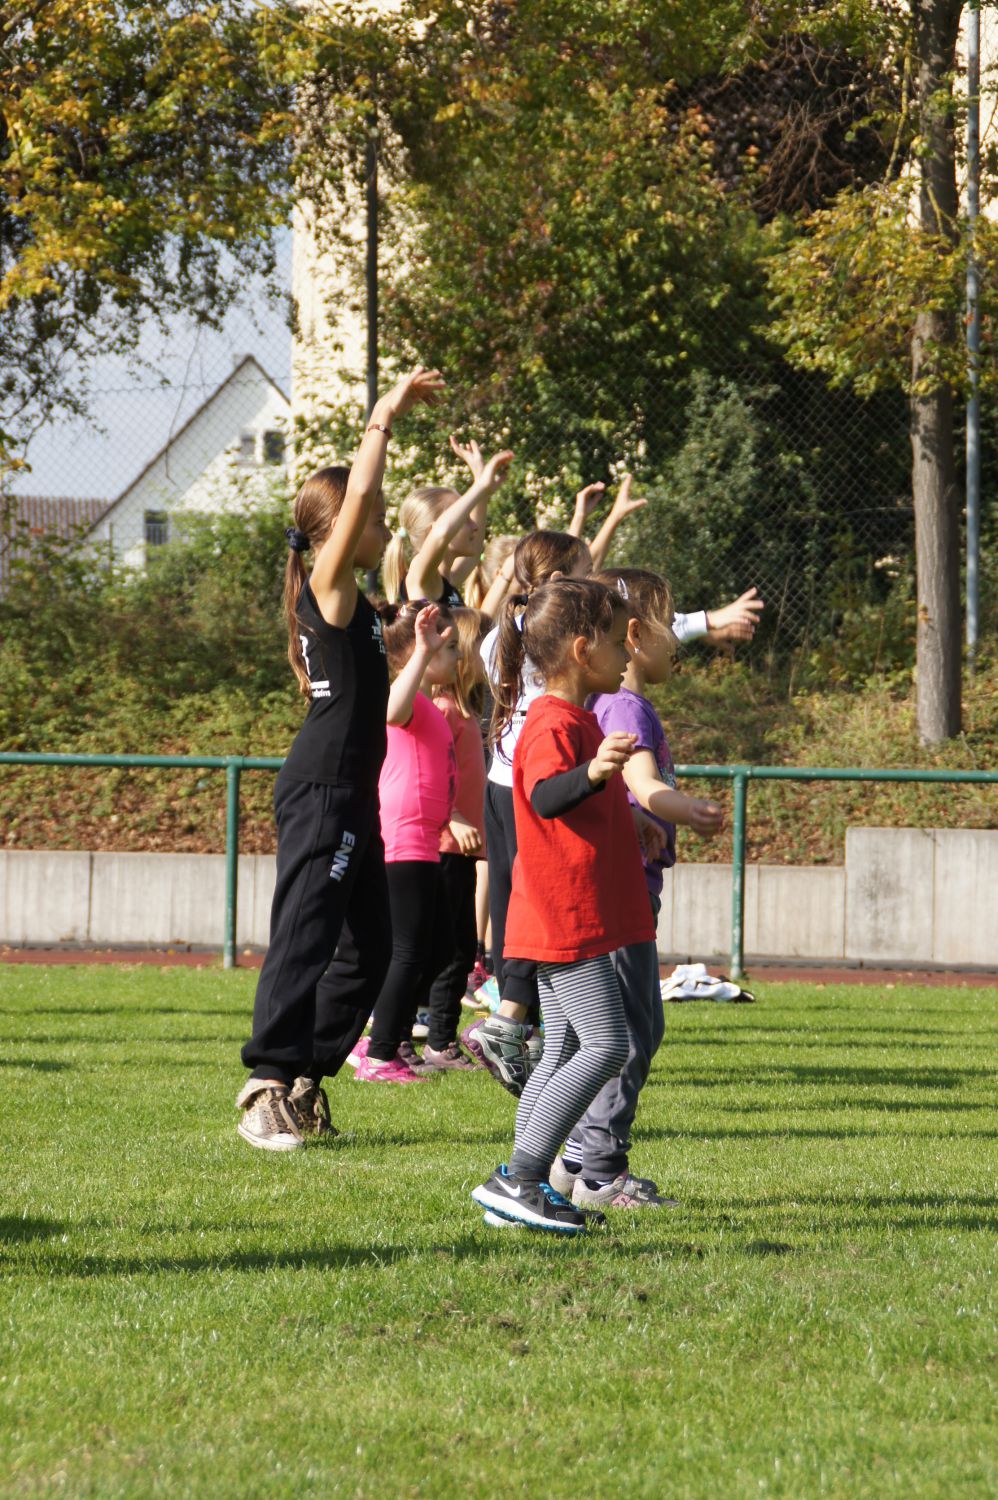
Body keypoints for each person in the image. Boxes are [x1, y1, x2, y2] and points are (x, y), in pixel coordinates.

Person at [236, 366, 445, 1149]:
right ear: (337, 531)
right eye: (377, 519)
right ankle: (265, 1082)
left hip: (354, 792)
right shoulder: (328, 587)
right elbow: (358, 493)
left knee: (372, 948)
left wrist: (414, 634)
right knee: (307, 934)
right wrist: (384, 414)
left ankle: (305, 1076)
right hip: (322, 787)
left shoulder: (354, 603)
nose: (384, 529)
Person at [472, 578, 653, 1234]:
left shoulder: (579, 719)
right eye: (617, 639)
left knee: (564, 1048)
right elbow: (547, 797)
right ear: (582, 649)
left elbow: (575, 809)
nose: (627, 651)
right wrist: (597, 772)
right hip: (561, 917)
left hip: (565, 915)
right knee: (607, 1045)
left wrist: (634, 819)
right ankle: (518, 1179)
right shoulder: (551, 720)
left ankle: (526, 1190)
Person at [548, 567, 724, 1210]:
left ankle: (574, 1160)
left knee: (619, 1031)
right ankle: (598, 1170)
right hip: (622, 896)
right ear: (634, 635)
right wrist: (687, 810)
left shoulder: (611, 704)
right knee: (630, 1033)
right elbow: (644, 786)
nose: (676, 638)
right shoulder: (625, 706)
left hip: (622, 890)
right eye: (668, 624)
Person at [349, 600, 460, 1082]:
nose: (456, 656)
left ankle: (386, 1035)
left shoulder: (430, 704)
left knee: (439, 949)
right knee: (411, 950)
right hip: (403, 836)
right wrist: (424, 651)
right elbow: (392, 712)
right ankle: (378, 1054)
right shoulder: (403, 697)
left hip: (425, 840)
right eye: (448, 648)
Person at [422, 606, 491, 1069]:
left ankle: (438, 1039)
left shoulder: (466, 712)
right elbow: (427, 771)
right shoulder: (443, 710)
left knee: (462, 947)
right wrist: (453, 817)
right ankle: (430, 1039)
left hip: (464, 848)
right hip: (445, 846)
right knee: (447, 948)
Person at [382, 438, 513, 608]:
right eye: (464, 519)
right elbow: (441, 534)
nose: (475, 526)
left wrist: (481, 485)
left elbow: (474, 552)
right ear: (432, 530)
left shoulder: (446, 580)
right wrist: (480, 486)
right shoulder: (420, 576)